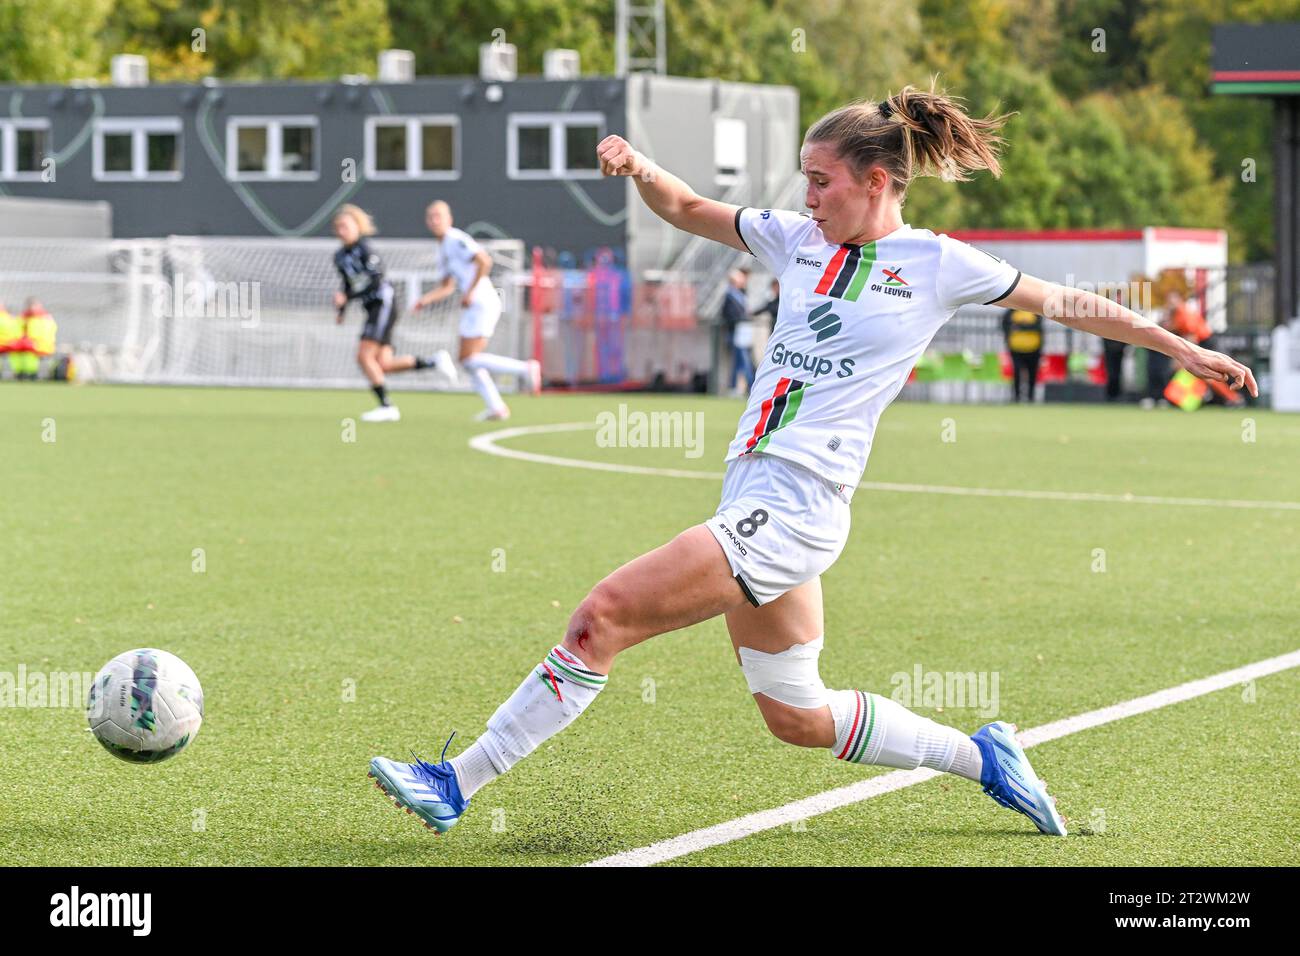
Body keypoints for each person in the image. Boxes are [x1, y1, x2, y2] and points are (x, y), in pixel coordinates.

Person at [368, 84, 1256, 839]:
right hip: (755, 487)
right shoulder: (796, 239)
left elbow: (1071, 302)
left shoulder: (938, 264)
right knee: (795, 711)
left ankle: (459, 781)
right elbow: (685, 208)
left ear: (876, 182)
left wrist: (1181, 347)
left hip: (797, 504)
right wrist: (639, 169)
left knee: (602, 619)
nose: (809, 194)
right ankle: (980, 754)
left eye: (822, 180)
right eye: (804, 180)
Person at [413, 201, 540, 421]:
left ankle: (525, 368)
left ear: (449, 219)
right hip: (475, 303)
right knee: (469, 361)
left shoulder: (455, 239)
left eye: (438, 216)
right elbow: (447, 286)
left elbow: (484, 260)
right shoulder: (442, 248)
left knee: (468, 359)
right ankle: (496, 407)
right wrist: (425, 300)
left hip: (482, 301)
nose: (434, 221)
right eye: (431, 217)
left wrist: (471, 291)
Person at [332, 204, 453, 423]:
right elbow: (348, 285)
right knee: (383, 365)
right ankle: (434, 362)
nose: (342, 231)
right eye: (338, 227)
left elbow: (375, 279)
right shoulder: (340, 257)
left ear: (357, 227)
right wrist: (341, 308)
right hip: (371, 308)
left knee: (364, 357)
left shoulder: (365, 249)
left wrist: (348, 298)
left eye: (346, 226)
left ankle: (387, 406)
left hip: (383, 305)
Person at [721, 267, 755, 395]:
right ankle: (750, 385)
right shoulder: (730, 295)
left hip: (743, 332)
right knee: (742, 360)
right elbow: (728, 313)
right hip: (736, 331)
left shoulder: (740, 294)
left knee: (739, 361)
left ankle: (734, 386)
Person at [1001, 306, 1042, 402]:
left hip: (1033, 348)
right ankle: (1016, 397)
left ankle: (1031, 397)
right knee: (1016, 373)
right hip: (1016, 348)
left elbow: (1038, 327)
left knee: (1032, 373)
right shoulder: (1011, 311)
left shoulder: (1035, 310)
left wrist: (1020, 327)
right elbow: (1005, 326)